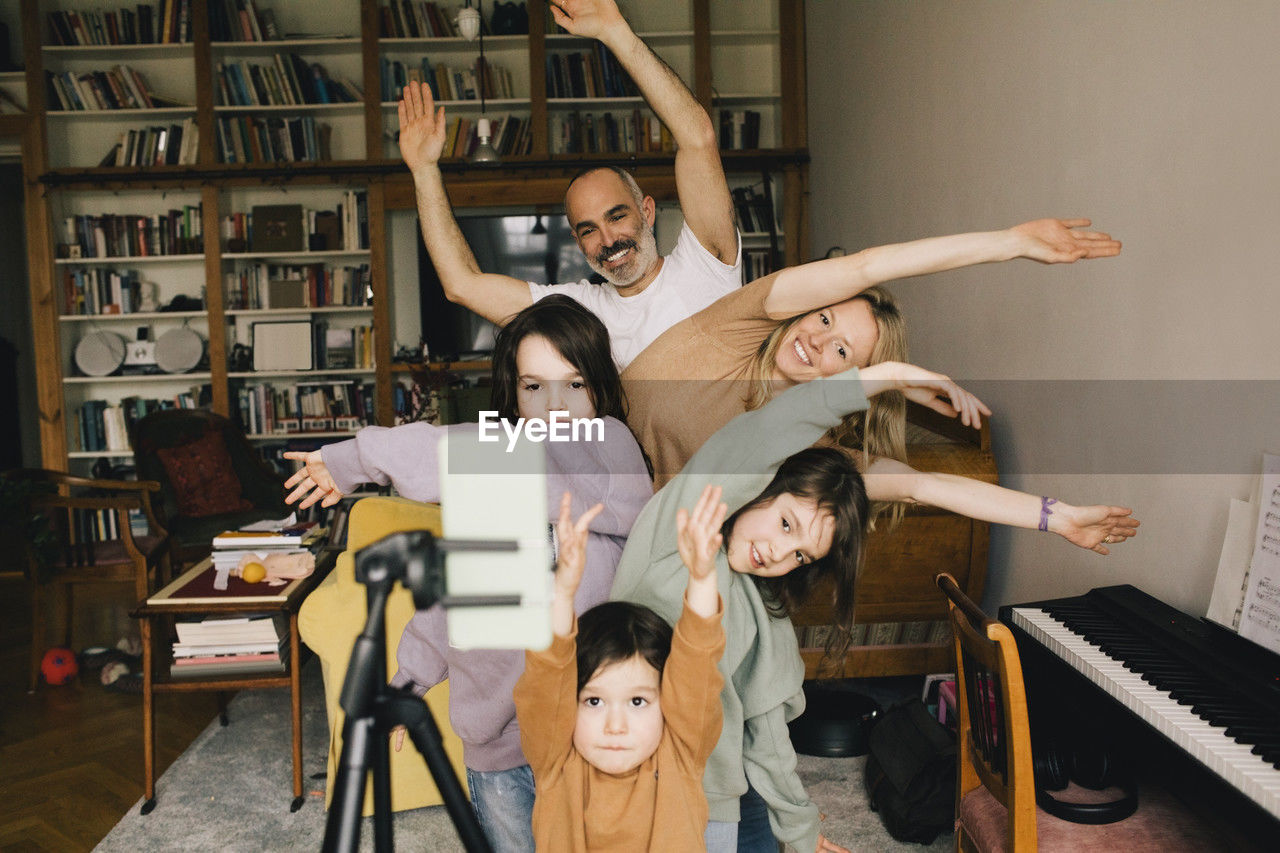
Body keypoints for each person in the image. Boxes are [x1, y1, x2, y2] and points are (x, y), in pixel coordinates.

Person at [610, 362, 1138, 853]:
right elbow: (774, 427)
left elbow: (767, 740)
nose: (778, 551)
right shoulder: (683, 520)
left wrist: (803, 831)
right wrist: (887, 375)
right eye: (786, 523)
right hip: (624, 780)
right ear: (760, 486)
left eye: (800, 554)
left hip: (709, 801)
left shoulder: (761, 619)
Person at [282, 296, 652, 851]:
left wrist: (360, 459)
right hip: (497, 743)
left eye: (573, 385)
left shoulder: (610, 451)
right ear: (513, 393)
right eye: (533, 386)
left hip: (590, 736)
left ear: (598, 388)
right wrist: (408, 682)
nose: (554, 406)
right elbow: (454, 598)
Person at [621, 216, 1122, 489]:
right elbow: (867, 267)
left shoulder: (808, 449)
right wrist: (1009, 242)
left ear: (854, 376)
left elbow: (918, 487)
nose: (817, 341)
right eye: (823, 318)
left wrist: (1055, 517)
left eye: (840, 349)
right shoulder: (735, 325)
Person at [397, 0, 742, 370]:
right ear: (577, 243)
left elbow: (696, 138)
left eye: (617, 215)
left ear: (647, 211)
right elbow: (462, 284)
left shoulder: (705, 264)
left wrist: (615, 32)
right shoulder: (580, 312)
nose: (608, 241)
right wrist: (424, 169)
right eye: (589, 229)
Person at [512, 488, 726, 851]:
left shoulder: (680, 752)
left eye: (638, 702)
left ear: (668, 703)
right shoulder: (555, 759)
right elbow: (547, 679)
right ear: (570, 702)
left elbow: (696, 669)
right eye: (594, 702)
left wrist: (703, 579)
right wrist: (562, 593)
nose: (615, 726)